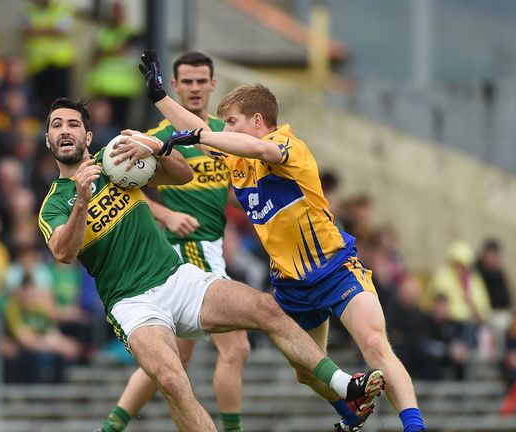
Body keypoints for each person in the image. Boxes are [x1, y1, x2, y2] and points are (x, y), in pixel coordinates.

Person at [37, 97, 384, 432]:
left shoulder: (115, 158)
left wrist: (155, 148)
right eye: (57, 125)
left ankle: (344, 386)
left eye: (73, 124)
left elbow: (181, 175)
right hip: (132, 304)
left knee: (267, 308)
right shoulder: (53, 206)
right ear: (49, 139)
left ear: (88, 136)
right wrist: (81, 201)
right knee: (173, 381)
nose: (65, 130)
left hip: (175, 278)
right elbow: (64, 253)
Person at [140, 49, 425, 432]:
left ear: (258, 121)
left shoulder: (288, 146)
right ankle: (350, 412)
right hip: (291, 285)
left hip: (335, 269)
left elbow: (257, 148)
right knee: (307, 372)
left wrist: (203, 134)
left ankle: (414, 427)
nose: (223, 130)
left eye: (231, 123)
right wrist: (160, 96)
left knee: (375, 345)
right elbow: (197, 126)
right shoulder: (235, 158)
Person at [98, 52, 250, 432]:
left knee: (172, 362)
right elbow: (120, 189)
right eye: (188, 82)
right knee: (237, 347)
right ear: (176, 87)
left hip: (211, 244)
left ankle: (111, 428)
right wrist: (165, 214)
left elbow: (234, 186)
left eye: (203, 81)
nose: (196, 88)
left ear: (214, 85)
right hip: (188, 250)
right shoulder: (158, 137)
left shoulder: (220, 134)